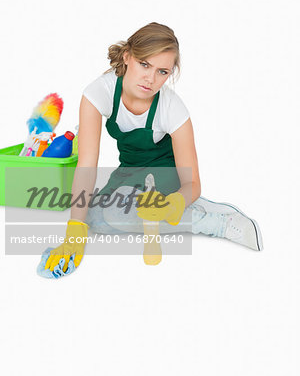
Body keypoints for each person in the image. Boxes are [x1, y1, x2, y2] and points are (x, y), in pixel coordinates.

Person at [41, 22, 263, 275]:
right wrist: (74, 234)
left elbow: (193, 183)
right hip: (129, 172)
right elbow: (87, 164)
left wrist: (174, 204)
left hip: (165, 175)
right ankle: (161, 210)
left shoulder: (173, 109)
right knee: (92, 219)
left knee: (117, 215)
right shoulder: (99, 92)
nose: (150, 79)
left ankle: (216, 222)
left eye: (162, 71)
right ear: (127, 57)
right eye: (144, 64)